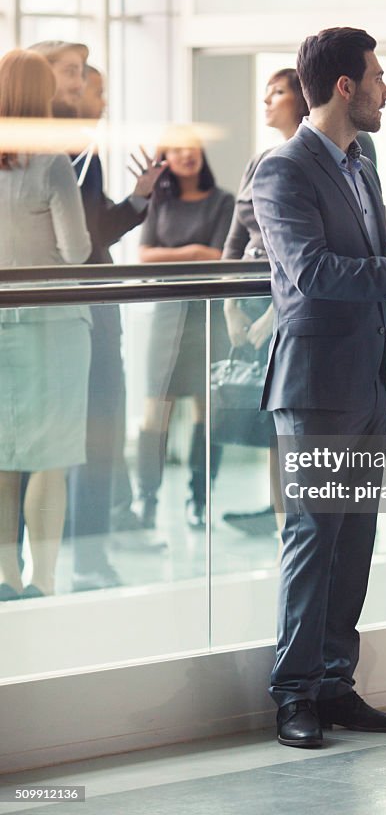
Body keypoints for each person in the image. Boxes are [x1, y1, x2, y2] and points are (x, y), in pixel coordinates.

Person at [251, 26, 386, 748]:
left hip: (367, 379)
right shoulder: (281, 171)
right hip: (314, 383)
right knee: (313, 538)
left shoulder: (363, 162)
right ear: (345, 87)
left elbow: (372, 258)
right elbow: (311, 274)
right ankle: (293, 695)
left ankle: (334, 684)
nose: (384, 89)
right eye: (376, 77)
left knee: (355, 540)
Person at [28, 41, 167, 588]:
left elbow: (90, 236)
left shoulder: (82, 151)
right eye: (78, 76)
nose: (93, 93)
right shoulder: (51, 151)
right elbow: (82, 243)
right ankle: (69, 559)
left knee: (95, 431)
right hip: (64, 309)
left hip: (84, 308)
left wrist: (136, 200)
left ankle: (81, 556)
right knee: (67, 434)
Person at [0, 49, 92, 600]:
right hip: (53, 321)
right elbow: (76, 250)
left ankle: (5, 578)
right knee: (50, 456)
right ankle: (44, 582)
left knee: (4, 457)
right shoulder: (52, 162)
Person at [221, 69, 308, 536]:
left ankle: (289, 527)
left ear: (302, 96)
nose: (267, 101)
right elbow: (234, 238)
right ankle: (280, 524)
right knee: (266, 425)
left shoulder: (316, 156)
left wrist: (276, 312)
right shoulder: (259, 161)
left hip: (288, 302)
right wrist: (229, 304)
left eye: (277, 91)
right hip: (250, 300)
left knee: (286, 428)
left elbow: (305, 252)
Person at [137, 141, 234, 530]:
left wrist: (180, 253)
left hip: (206, 315)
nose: (186, 155)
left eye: (192, 148)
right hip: (166, 315)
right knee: (155, 410)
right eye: (175, 150)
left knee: (206, 412)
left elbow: (223, 253)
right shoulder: (159, 203)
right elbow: (143, 254)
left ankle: (199, 499)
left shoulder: (222, 201)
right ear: (165, 160)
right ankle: (147, 501)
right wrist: (195, 250)